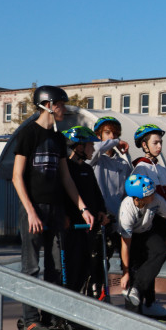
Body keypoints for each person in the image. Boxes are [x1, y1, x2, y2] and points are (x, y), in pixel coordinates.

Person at [11, 85, 96, 330]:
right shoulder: (28, 134)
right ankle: (30, 321)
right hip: (33, 208)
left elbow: (66, 178)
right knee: (32, 267)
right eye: (60, 104)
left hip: (56, 209)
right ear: (47, 104)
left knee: (56, 267)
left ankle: (51, 316)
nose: (64, 108)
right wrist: (31, 212)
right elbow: (17, 177)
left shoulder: (59, 139)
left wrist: (83, 208)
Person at [118, 173, 166, 317]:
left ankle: (145, 299)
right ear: (138, 199)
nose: (153, 196)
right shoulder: (127, 210)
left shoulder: (156, 199)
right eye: (149, 195)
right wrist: (125, 273)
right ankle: (133, 314)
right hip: (131, 238)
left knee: (160, 250)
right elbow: (125, 246)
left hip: (146, 232)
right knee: (134, 268)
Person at [62, 126, 110, 298]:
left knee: (86, 268)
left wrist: (102, 211)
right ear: (80, 147)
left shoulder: (88, 169)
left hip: (88, 229)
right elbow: (62, 196)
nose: (94, 148)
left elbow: (96, 195)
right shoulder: (66, 167)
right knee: (71, 270)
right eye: (90, 145)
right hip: (71, 229)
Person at [88, 115, 132, 225]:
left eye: (116, 134)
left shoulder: (123, 163)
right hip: (96, 216)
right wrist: (117, 142)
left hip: (116, 219)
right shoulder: (93, 158)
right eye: (108, 133)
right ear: (98, 135)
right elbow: (97, 148)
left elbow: (127, 193)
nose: (112, 137)